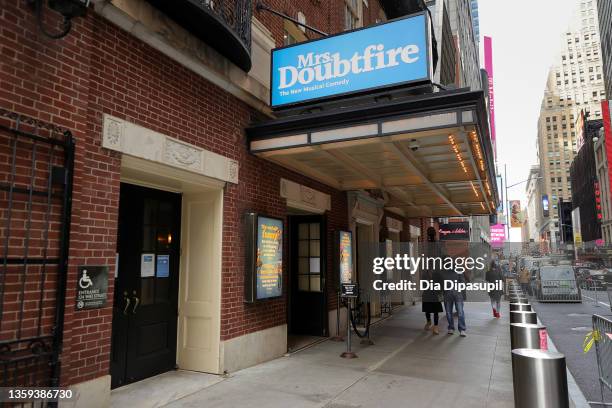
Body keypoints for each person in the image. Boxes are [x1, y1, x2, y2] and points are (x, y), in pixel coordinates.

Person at [441, 241, 467, 337]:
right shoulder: (443, 271)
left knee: (460, 312)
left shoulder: (457, 269)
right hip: (447, 294)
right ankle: (451, 327)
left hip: (457, 294)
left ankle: (462, 329)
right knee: (448, 312)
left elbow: (462, 281)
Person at [422, 227, 444, 335]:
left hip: (433, 278)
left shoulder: (434, 246)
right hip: (431, 278)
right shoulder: (430, 246)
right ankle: (433, 325)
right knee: (431, 305)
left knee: (431, 305)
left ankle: (432, 324)